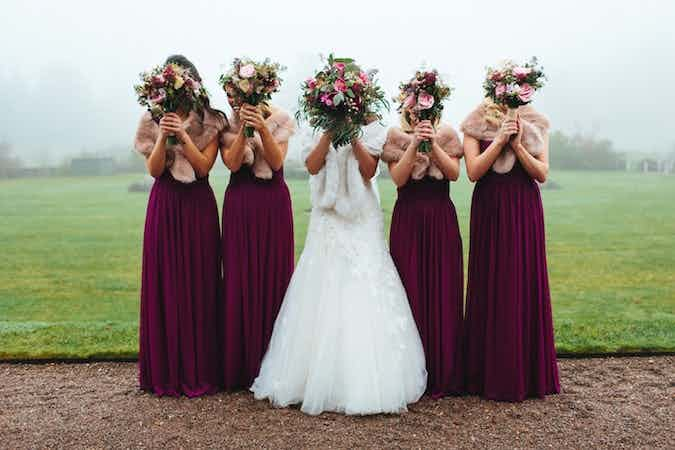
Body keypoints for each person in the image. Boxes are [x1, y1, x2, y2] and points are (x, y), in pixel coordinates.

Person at [134, 54, 227, 397]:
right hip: (165, 205)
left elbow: (203, 168)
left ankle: (201, 367)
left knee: (200, 281)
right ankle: (166, 370)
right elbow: (155, 170)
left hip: (198, 207)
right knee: (166, 282)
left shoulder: (211, 121)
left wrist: (184, 136)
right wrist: (163, 135)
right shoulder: (151, 119)